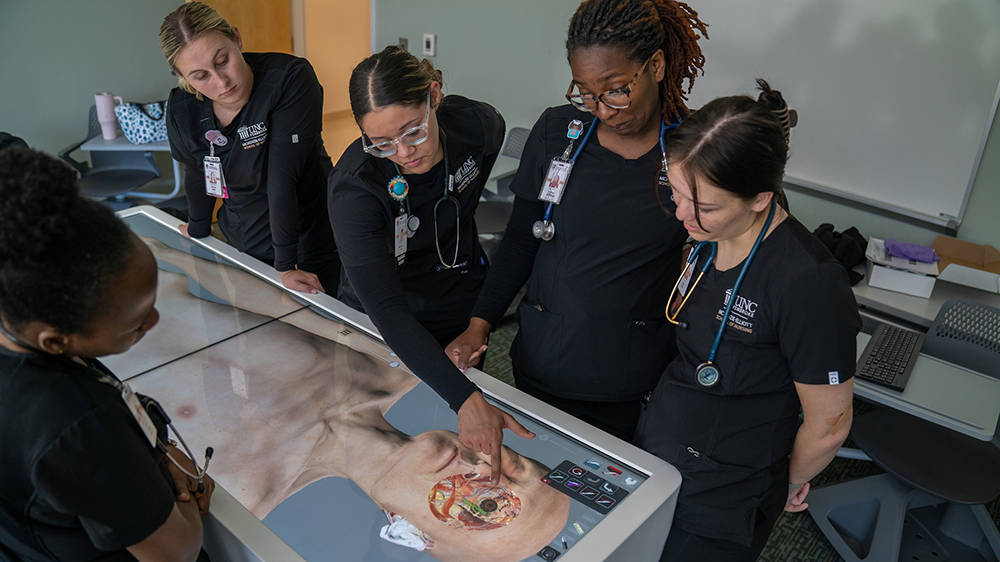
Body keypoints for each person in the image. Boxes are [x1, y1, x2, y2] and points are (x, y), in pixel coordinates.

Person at [130, 237, 570, 562]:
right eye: (513, 466)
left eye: (486, 507)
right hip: (133, 276)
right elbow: (276, 303)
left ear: (416, 536)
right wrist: (164, 248)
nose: (481, 468)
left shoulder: (242, 491)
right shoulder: (390, 369)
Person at [447, 0, 708, 441]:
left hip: (635, 373)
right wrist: (479, 324)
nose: (602, 108)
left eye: (616, 89)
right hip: (547, 358)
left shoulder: (696, 148)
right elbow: (520, 242)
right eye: (585, 92)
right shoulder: (558, 132)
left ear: (658, 65)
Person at [634, 83, 860, 561]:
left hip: (724, 493)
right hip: (661, 450)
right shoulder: (705, 239)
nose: (681, 214)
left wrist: (790, 483)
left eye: (705, 206)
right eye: (674, 193)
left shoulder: (808, 283)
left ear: (760, 197)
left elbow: (830, 426)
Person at [328, 46, 531, 481]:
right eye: (381, 142)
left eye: (413, 131)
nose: (403, 152)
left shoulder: (479, 125)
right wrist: (466, 399)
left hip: (456, 295)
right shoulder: (355, 187)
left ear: (434, 96)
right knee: (394, 436)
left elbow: (468, 191)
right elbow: (386, 311)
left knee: (454, 450)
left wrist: (475, 324)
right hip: (384, 318)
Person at [0, 148, 213, 562]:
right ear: (56, 342)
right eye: (135, 322)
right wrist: (181, 492)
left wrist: (149, 456)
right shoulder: (77, 424)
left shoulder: (16, 325)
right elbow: (176, 551)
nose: (153, 319)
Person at [160, 2, 339, 295]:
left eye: (222, 61)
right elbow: (196, 170)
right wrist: (198, 228)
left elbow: (281, 179)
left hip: (309, 237)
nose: (221, 81)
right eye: (200, 76)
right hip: (243, 238)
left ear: (236, 38)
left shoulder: (289, 79)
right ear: (183, 77)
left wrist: (286, 266)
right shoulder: (182, 109)